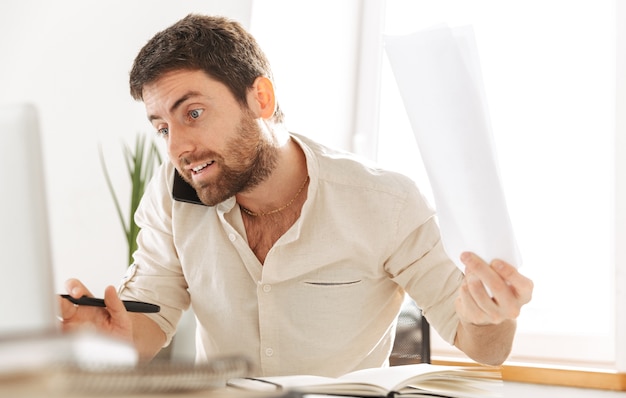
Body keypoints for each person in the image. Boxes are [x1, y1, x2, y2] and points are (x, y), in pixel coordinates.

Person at [60, 14, 533, 377]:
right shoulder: (173, 195)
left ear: (260, 99)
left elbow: (484, 347)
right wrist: (115, 338)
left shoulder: (384, 202)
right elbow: (151, 315)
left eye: (195, 113)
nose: (178, 147)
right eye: (162, 127)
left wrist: (491, 318)